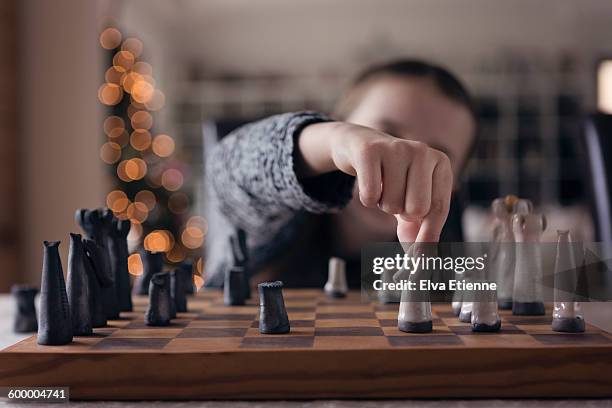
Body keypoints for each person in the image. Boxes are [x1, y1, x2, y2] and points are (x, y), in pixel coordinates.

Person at [205, 59, 477, 288]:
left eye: (436, 156)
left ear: (455, 184)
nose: (404, 167)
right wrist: (331, 140)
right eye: (384, 135)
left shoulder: (449, 255)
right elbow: (226, 170)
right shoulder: (277, 215)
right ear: (337, 122)